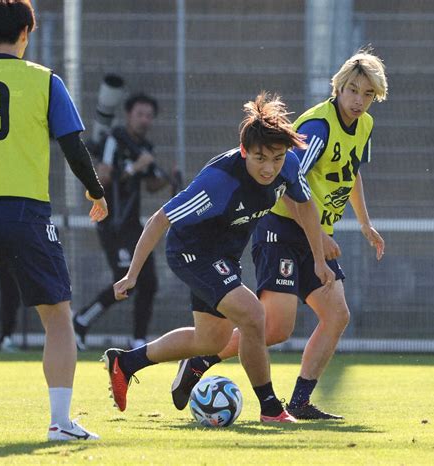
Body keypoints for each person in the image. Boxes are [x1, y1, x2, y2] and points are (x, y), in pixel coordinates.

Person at [171, 50, 388, 420]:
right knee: (274, 328)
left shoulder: (364, 126)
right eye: (352, 90)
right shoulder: (317, 128)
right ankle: (202, 357)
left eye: (367, 94)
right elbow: (291, 187)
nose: (358, 100)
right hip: (283, 227)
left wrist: (365, 222)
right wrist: (318, 236)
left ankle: (300, 402)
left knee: (336, 315)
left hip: (316, 233)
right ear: (338, 87)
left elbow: (351, 173)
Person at [104, 91, 336, 423]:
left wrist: (318, 259)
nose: (269, 168)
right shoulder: (218, 181)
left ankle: (125, 363)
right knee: (255, 316)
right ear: (244, 152)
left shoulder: (290, 165)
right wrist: (132, 274)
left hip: (224, 255)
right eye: (260, 158)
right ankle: (271, 408)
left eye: (277, 158)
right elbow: (159, 220)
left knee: (210, 340)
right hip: (190, 251)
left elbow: (305, 206)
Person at [0, 0, 108, 441]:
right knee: (58, 317)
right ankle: (60, 423)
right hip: (24, 213)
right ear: (26, 32)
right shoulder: (44, 82)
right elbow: (74, 148)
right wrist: (96, 192)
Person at [73, 93, 177, 350]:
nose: (144, 120)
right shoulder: (114, 140)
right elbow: (102, 180)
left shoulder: (145, 149)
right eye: (140, 114)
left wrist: (169, 178)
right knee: (124, 277)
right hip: (112, 223)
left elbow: (152, 185)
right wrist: (134, 168)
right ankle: (80, 321)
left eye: (149, 116)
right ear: (129, 115)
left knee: (149, 282)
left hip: (133, 226)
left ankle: (138, 340)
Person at [0, 264, 21, 352]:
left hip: (15, 265)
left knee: (14, 301)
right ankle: (5, 339)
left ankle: (6, 338)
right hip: (7, 264)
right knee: (8, 300)